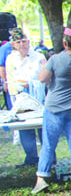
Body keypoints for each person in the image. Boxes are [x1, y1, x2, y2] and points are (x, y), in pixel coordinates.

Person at [31, 28, 71, 194]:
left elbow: (43, 79)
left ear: (64, 43)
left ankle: (42, 179)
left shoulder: (55, 59)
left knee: (49, 144)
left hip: (55, 108)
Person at [5, 28, 46, 167]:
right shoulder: (11, 58)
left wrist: (33, 84)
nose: (21, 44)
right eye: (18, 42)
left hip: (37, 98)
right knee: (24, 128)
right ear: (14, 45)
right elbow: (10, 77)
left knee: (42, 127)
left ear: (28, 42)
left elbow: (45, 76)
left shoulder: (39, 57)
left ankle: (49, 157)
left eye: (24, 41)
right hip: (20, 97)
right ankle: (31, 157)